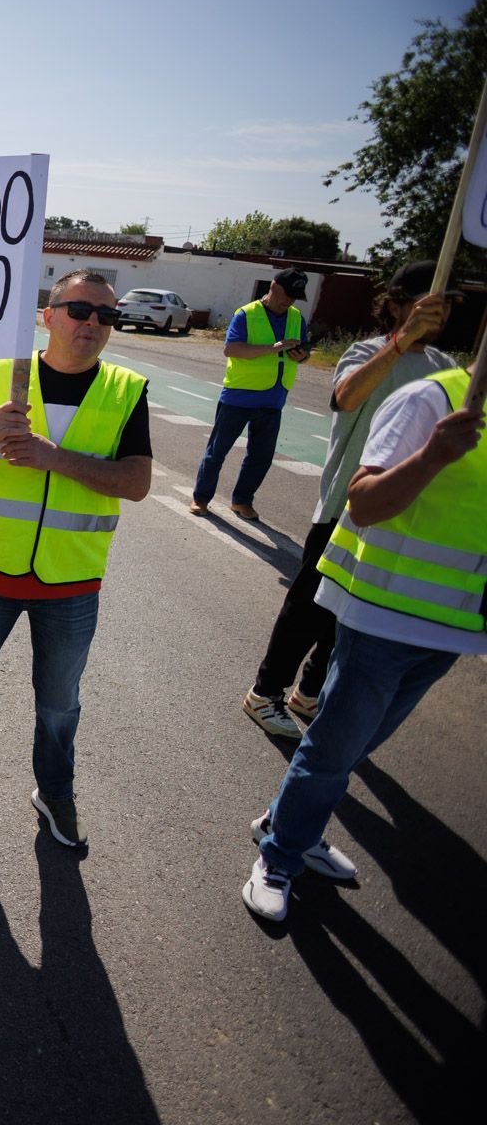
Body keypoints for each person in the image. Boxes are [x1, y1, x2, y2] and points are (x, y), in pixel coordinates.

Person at [0, 270, 153, 849]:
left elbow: (137, 483)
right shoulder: (1, 376)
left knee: (59, 704)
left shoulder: (125, 389)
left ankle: (55, 792)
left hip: (71, 583)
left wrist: (53, 457)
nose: (93, 323)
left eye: (106, 315)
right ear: (49, 314)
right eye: (80, 309)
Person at [242, 353, 484, 922]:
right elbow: (365, 501)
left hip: (453, 627)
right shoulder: (434, 399)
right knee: (333, 748)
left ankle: (287, 822)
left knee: (356, 745)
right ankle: (278, 857)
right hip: (383, 616)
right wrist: (432, 457)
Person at [239, 261, 459, 737]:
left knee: (350, 615)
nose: (437, 313)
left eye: (443, 305)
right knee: (309, 608)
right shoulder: (367, 351)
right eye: (424, 303)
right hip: (344, 506)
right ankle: (264, 693)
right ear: (397, 304)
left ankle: (309, 692)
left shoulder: (446, 368)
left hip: (400, 512)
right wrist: (401, 342)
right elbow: (345, 397)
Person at [190, 268, 312, 519]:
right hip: (239, 396)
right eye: (287, 295)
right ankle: (201, 499)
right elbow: (231, 349)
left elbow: (303, 351)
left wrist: (302, 356)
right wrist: (272, 348)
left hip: (274, 399)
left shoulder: (297, 317)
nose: (289, 301)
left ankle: (242, 501)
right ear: (274, 287)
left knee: (261, 457)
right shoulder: (246, 314)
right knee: (217, 452)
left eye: (295, 297)